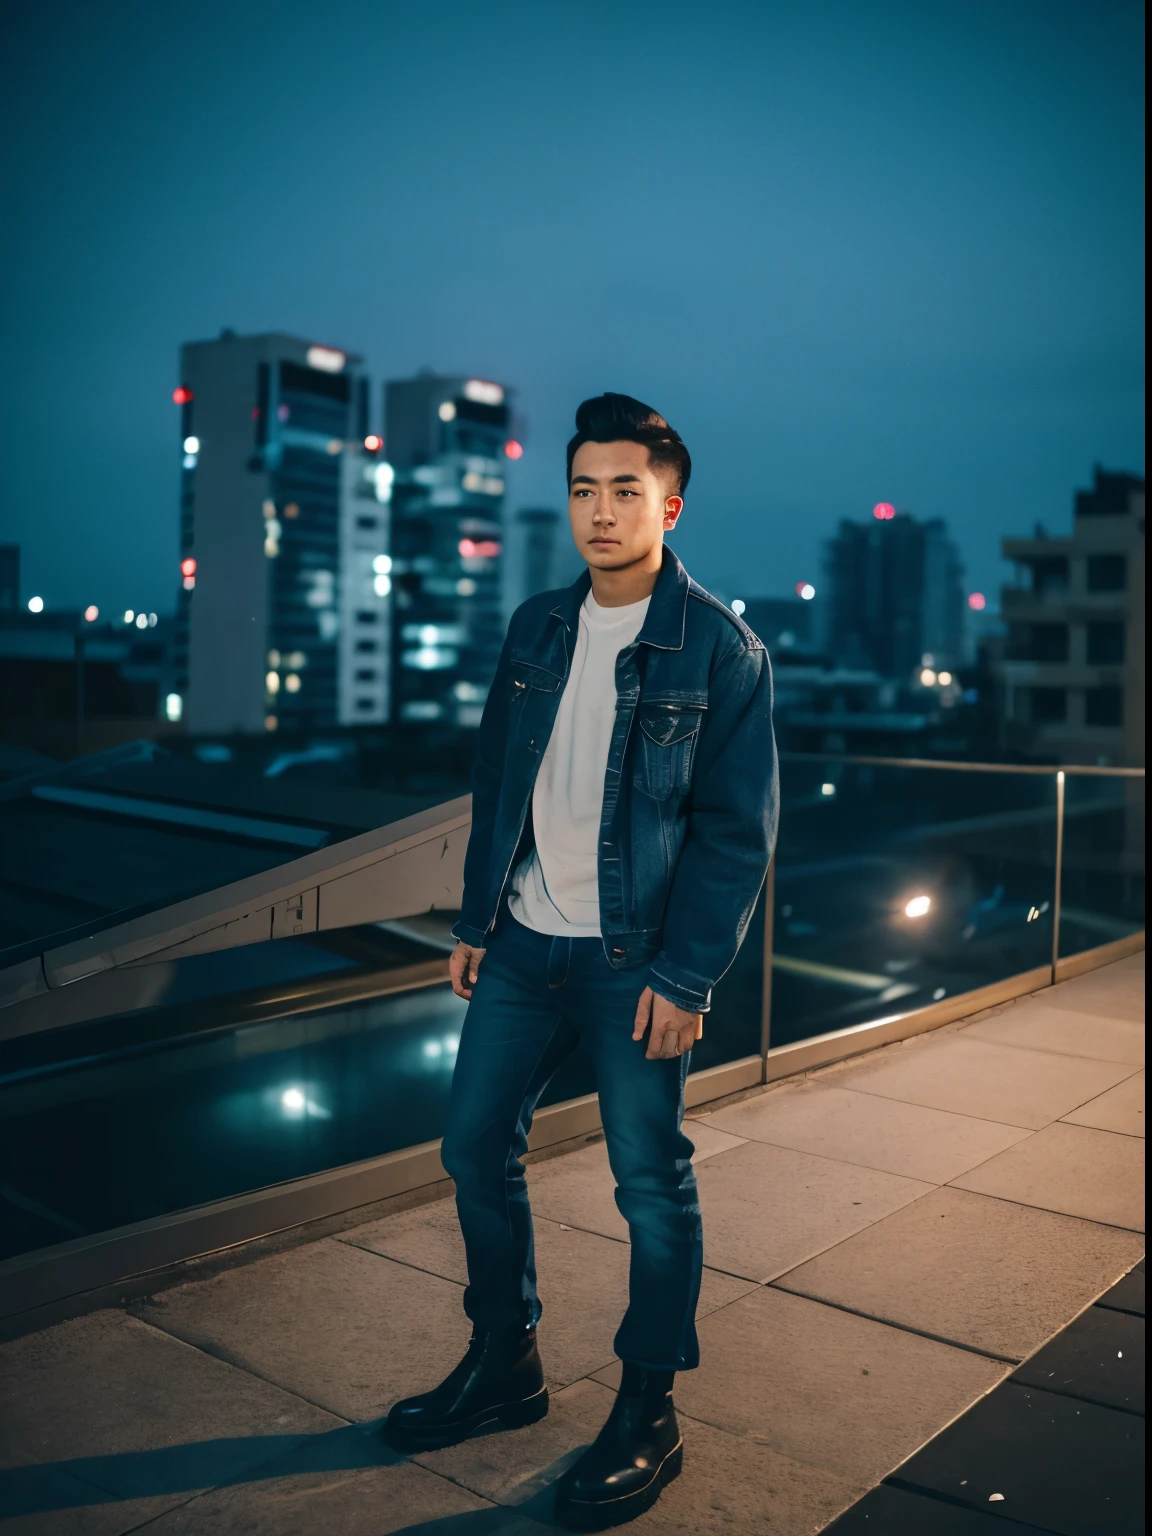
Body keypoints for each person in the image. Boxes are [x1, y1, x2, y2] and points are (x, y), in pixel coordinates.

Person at [386, 393, 778, 1528]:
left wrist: (686, 977)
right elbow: (499, 783)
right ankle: (505, 1360)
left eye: (624, 489)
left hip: (635, 962)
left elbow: (735, 835)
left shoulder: (722, 649)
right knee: (470, 1148)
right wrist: (474, 920)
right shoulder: (537, 626)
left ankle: (649, 1410)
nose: (600, 511)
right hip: (519, 945)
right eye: (582, 489)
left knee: (651, 1187)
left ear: (670, 502)